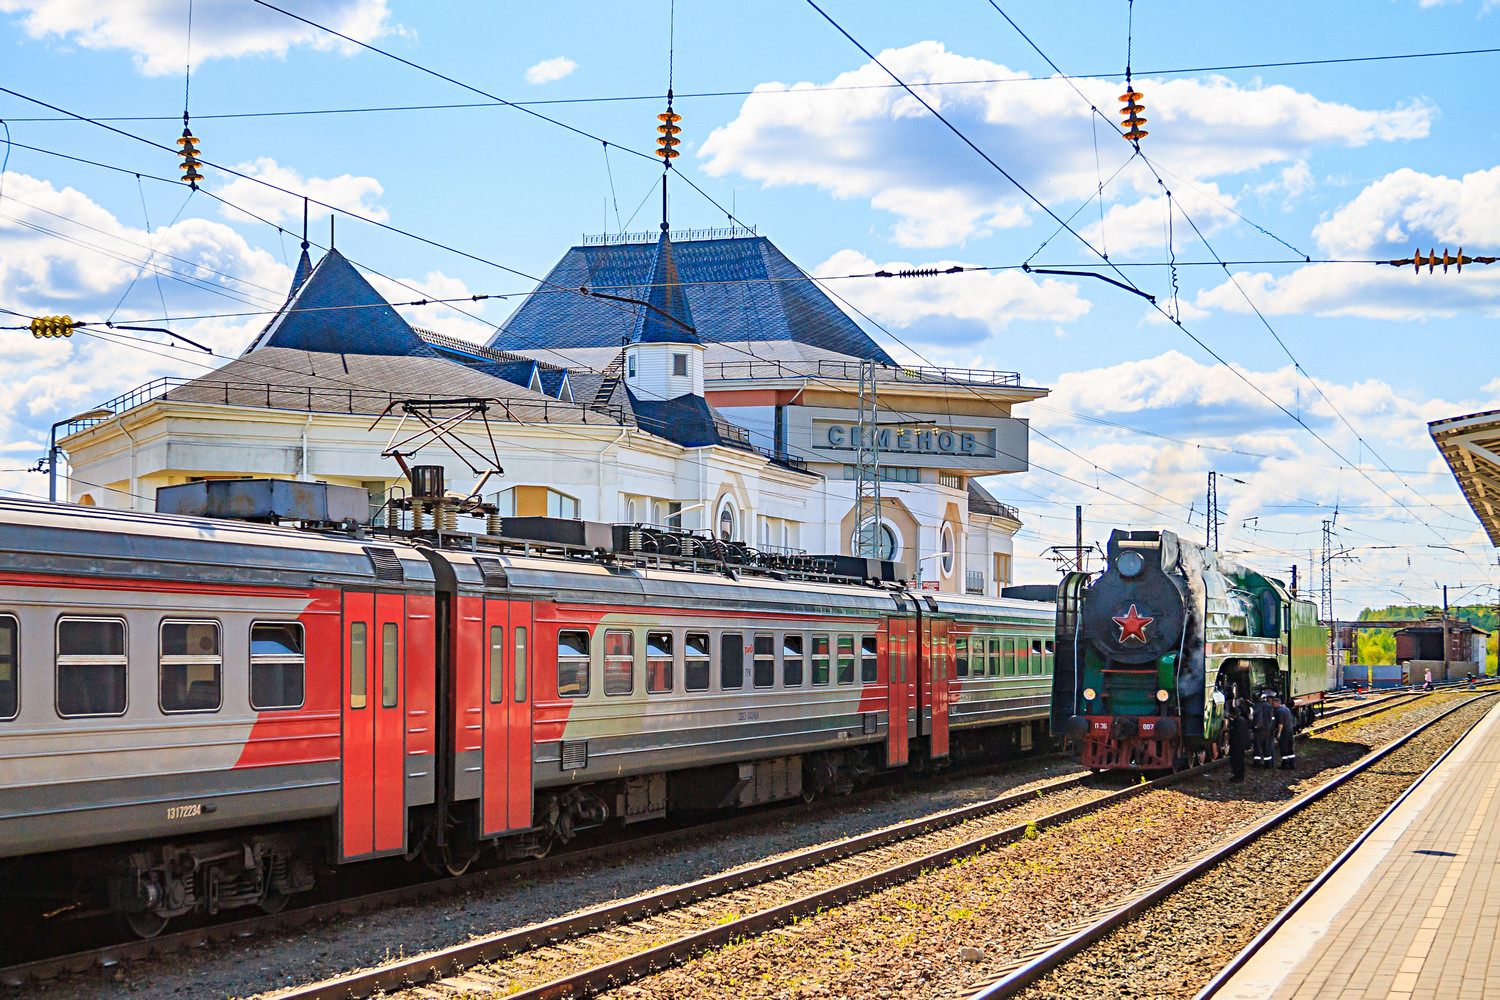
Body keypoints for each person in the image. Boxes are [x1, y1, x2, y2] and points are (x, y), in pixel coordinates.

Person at [1228, 698, 1252, 783]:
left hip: (1237, 745)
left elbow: (1236, 734)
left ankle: (1238, 776)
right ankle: (1239, 775)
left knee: (1237, 761)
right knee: (1239, 760)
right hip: (1240, 745)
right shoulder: (1241, 720)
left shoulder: (1237, 722)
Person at [1272, 694, 1296, 771]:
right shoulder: (1286, 709)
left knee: (1284, 747)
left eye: (1274, 704)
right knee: (1290, 747)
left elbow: (1280, 724)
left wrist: (1278, 733)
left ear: (1278, 703)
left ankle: (1285, 764)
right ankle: (1292, 764)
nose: (1273, 705)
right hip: (1290, 729)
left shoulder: (1279, 711)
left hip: (1284, 731)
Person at [1251, 692, 1273, 767]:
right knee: (1266, 745)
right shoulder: (1269, 707)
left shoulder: (1257, 706)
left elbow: (1252, 715)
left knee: (1257, 746)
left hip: (1258, 729)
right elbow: (1271, 718)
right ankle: (1268, 763)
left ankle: (1257, 763)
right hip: (1267, 729)